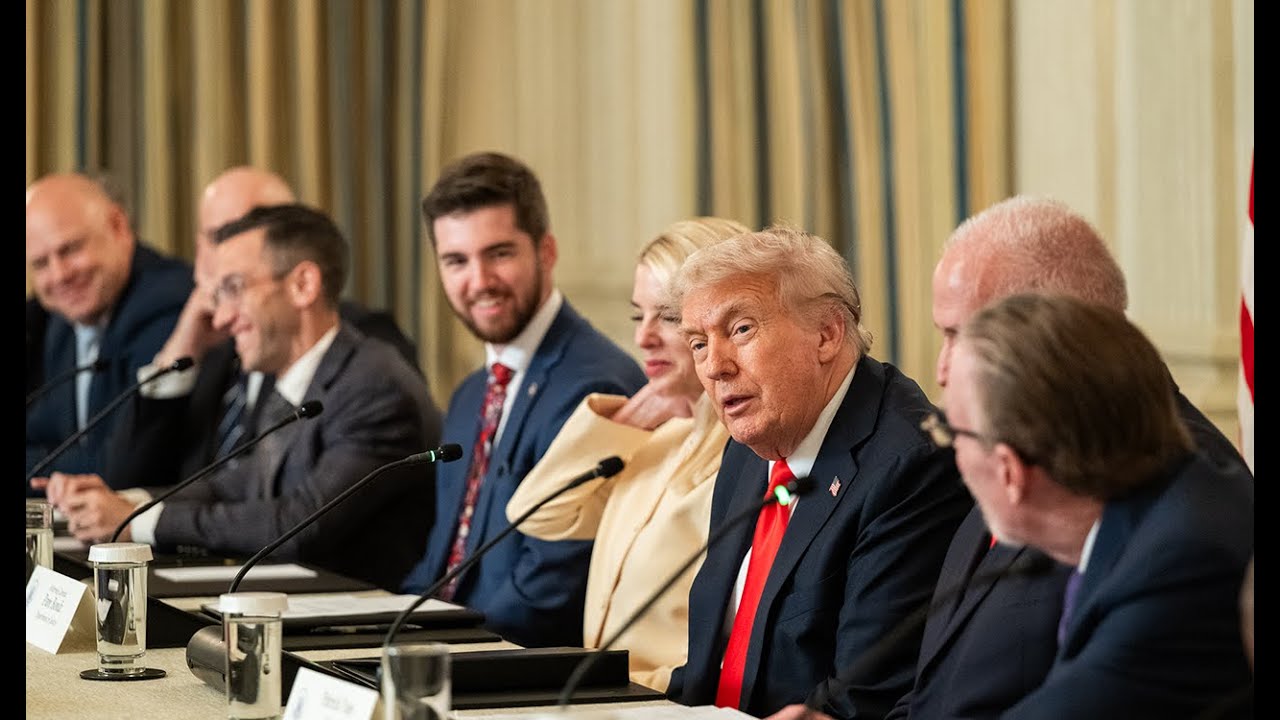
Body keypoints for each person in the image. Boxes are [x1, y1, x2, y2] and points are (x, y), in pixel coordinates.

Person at [770, 195, 1253, 720]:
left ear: (1048, 329)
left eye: (960, 334)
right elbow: (939, 690)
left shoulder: (1185, 542)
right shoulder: (1025, 448)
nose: (942, 370)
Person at [37, 204, 443, 591]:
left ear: (303, 285)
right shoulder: (294, 377)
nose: (221, 317)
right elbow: (234, 484)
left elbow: (298, 522)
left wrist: (137, 521)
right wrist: (120, 501)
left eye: (234, 288)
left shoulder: (373, 385)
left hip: (366, 639)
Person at [663, 225, 972, 718]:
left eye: (740, 329)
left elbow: (863, 697)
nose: (715, 366)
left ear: (827, 334)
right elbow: (710, 667)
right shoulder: (749, 450)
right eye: (698, 343)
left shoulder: (909, 466)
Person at [939, 292, 1253, 718]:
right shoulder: (1157, 503)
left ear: (1009, 470)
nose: (952, 452)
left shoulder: (1180, 563)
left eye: (952, 433)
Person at [398, 151, 647, 648]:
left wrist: (430, 648)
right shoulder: (472, 394)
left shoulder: (595, 387)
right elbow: (440, 559)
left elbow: (548, 591)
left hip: (514, 665)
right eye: (456, 261)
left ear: (547, 251)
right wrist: (388, 630)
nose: (479, 280)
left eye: (500, 253)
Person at [505, 216, 749, 690]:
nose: (643, 338)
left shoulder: (752, 460)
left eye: (669, 317)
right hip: (603, 696)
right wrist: (623, 424)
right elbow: (537, 515)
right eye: (639, 316)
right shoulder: (652, 440)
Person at [97, 165, 427, 495]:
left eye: (257, 229)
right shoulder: (209, 345)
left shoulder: (357, 341)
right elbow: (126, 480)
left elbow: (291, 511)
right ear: (201, 252)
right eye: (222, 235)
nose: (238, 244)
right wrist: (181, 348)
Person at [26, 172, 193, 493]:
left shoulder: (165, 301)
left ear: (118, 226)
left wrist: (56, 466)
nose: (59, 275)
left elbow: (119, 467)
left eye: (70, 249)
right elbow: (41, 433)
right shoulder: (63, 319)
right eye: (41, 264)